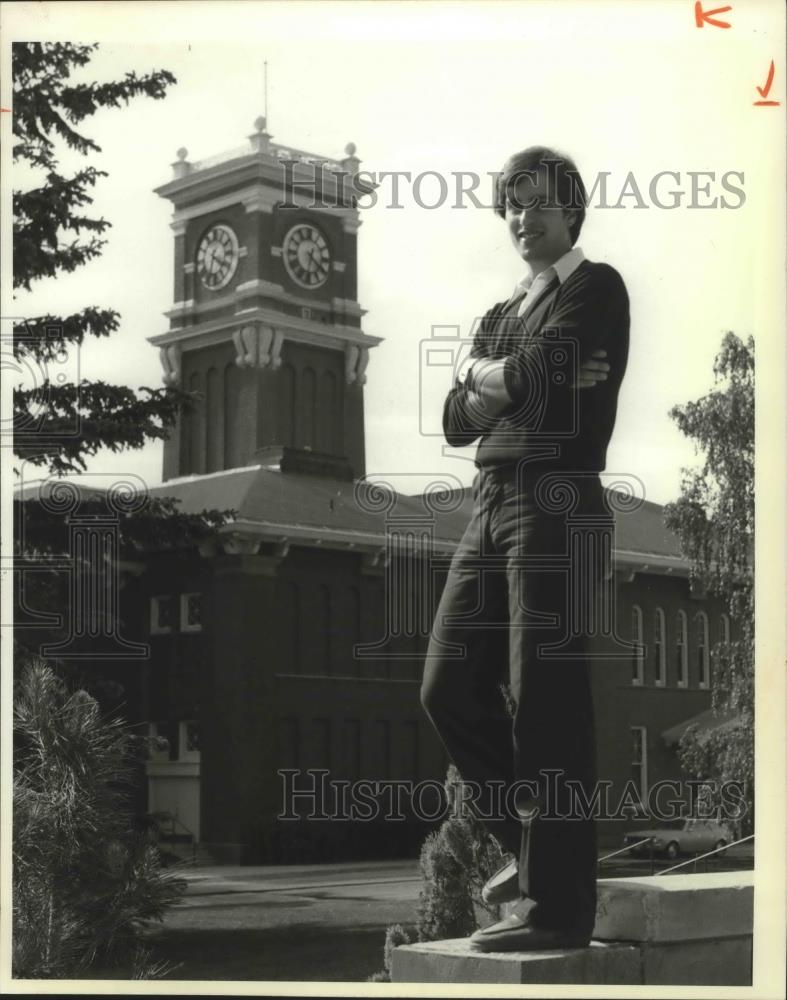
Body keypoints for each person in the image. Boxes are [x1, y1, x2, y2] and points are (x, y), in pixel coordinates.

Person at [420, 146, 630, 951]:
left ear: (570, 210)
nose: (521, 217)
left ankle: (556, 911)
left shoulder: (595, 286)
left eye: (537, 203)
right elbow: (451, 417)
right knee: (446, 686)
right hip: (489, 503)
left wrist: (505, 382)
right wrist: (497, 374)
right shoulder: (501, 313)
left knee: (544, 698)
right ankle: (533, 856)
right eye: (510, 205)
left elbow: (532, 383)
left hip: (555, 498)